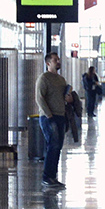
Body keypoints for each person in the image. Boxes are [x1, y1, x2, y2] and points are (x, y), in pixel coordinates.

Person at [36, 54, 74, 190]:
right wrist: (49, 115)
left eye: (58, 60)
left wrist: (68, 99)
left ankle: (52, 177)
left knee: (57, 147)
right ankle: (46, 177)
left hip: (60, 116)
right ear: (48, 63)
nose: (58, 62)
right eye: (55, 60)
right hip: (49, 117)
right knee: (52, 145)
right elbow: (39, 98)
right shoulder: (44, 78)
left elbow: (64, 98)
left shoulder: (61, 79)